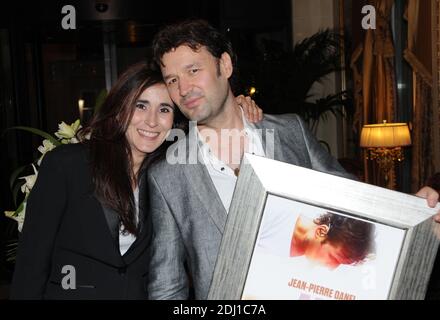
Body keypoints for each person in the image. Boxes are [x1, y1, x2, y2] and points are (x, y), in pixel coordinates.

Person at [146, 19, 440, 300]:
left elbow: (357, 208)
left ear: (225, 64)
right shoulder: (168, 176)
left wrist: (415, 211)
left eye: (193, 70)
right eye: (172, 79)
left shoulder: (291, 132)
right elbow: (167, 286)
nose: (183, 89)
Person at [10, 60, 261, 299]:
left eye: (164, 109)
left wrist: (237, 107)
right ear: (120, 108)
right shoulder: (67, 164)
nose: (152, 121)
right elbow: (31, 264)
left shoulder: (168, 177)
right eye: (141, 106)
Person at [289, 212, 375, 270]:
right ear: (321, 232)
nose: (332, 268)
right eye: (333, 257)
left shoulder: (297, 250)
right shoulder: (282, 216)